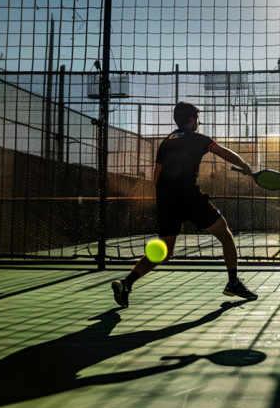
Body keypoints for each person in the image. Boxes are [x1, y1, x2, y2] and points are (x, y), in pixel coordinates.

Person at [111, 101, 259, 307]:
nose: (197, 122)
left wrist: (164, 198)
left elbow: (157, 174)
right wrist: (244, 165)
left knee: (164, 251)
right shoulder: (198, 138)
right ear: (191, 120)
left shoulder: (166, 142)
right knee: (225, 235)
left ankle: (126, 282)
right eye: (196, 119)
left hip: (165, 199)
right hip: (189, 196)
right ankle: (233, 283)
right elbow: (222, 151)